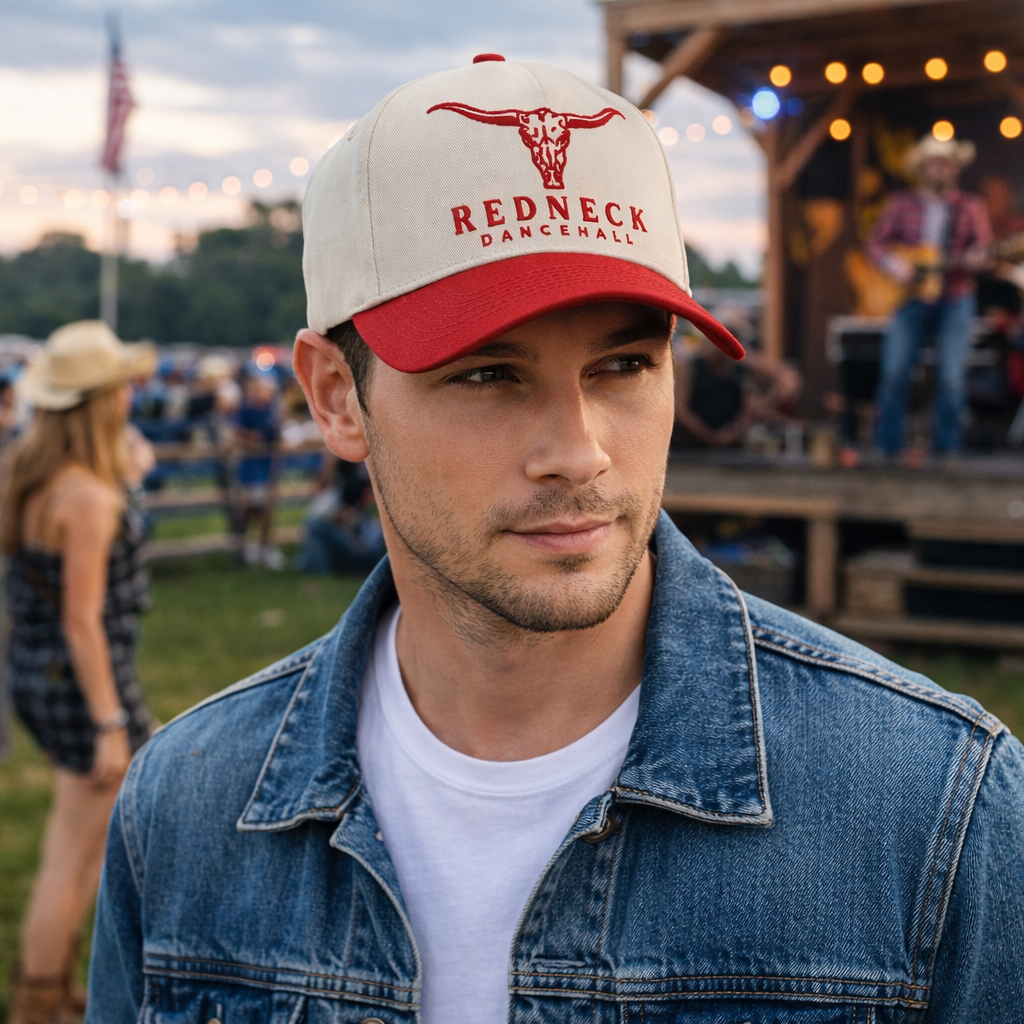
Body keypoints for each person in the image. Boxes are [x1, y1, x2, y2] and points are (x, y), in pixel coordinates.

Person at [88, 57, 1024, 1022]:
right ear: (336, 397)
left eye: (625, 363)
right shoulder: (187, 811)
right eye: (488, 375)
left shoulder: (936, 815)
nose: (579, 453)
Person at [4, 321, 156, 1024]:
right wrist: (110, 724)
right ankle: (38, 1001)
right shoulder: (88, 500)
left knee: (83, 845)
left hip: (36, 674)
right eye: (122, 385)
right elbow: (82, 620)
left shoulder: (25, 474)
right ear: (99, 400)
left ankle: (56, 985)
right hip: (82, 686)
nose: (133, 394)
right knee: (71, 856)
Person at [868, 134, 993, 460]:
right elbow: (875, 245)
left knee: (951, 378)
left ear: (954, 168)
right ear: (923, 167)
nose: (941, 168)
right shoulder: (900, 204)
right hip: (909, 299)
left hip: (956, 298)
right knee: (894, 372)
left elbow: (984, 252)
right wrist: (896, 265)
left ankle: (946, 454)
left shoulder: (970, 206)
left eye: (947, 162)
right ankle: (887, 451)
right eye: (935, 162)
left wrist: (980, 259)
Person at [228, 363, 283, 568]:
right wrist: (251, 440)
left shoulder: (272, 410)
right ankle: (246, 548)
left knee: (266, 510)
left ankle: (264, 548)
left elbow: (274, 437)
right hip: (250, 469)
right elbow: (236, 434)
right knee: (248, 510)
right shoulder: (246, 409)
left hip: (266, 467)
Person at [297, 456, 386, 574]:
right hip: (347, 530)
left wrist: (352, 514)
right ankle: (314, 567)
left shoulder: (373, 470)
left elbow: (366, 510)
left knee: (315, 525)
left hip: (362, 545)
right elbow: (324, 482)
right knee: (315, 525)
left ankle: (316, 569)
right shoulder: (344, 471)